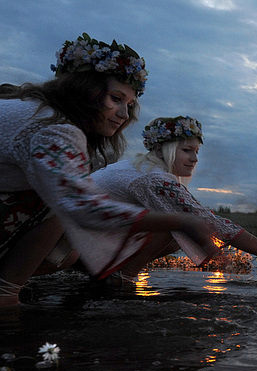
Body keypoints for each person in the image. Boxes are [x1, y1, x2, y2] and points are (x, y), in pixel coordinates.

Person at [0, 34, 218, 309]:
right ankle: (6, 296)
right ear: (83, 89)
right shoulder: (53, 129)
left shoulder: (37, 111)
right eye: (116, 99)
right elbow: (82, 206)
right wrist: (183, 222)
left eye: (129, 105)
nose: (124, 115)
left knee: (62, 236)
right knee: (58, 206)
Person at [92, 116, 257, 280]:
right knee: (176, 226)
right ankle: (122, 277)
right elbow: (213, 222)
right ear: (160, 149)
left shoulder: (140, 167)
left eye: (196, 152)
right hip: (80, 236)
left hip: (92, 230)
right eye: (187, 150)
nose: (195, 159)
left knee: (177, 227)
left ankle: (120, 271)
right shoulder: (152, 178)